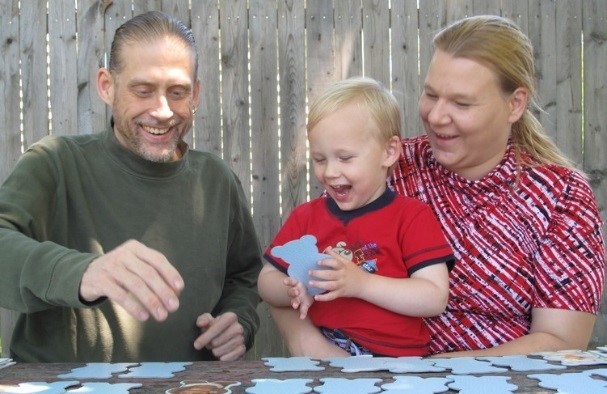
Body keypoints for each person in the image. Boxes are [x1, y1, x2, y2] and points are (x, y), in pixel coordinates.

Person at [270, 15, 606, 358]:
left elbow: (561, 342)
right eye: (431, 95)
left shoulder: (560, 195)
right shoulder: (389, 167)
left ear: (514, 104)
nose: (436, 116)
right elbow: (299, 273)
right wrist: (311, 347)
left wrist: (432, 373)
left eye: (461, 103)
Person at [0, 11, 262, 362]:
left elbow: (244, 276)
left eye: (178, 92)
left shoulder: (216, 180)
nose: (163, 111)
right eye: (143, 91)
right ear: (107, 86)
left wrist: (238, 321)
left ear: (196, 93)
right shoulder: (56, 163)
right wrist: (83, 272)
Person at [258, 77, 454, 357]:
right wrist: (293, 287)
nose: (330, 172)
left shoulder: (411, 217)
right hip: (325, 351)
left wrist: (361, 284)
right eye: (320, 159)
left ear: (388, 152)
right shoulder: (306, 217)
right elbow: (266, 280)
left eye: (345, 158)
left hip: (397, 362)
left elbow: (434, 297)